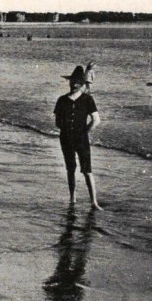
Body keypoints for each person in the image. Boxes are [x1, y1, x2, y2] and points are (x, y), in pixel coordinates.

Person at [54, 66, 103, 210]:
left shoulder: (87, 99)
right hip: (69, 139)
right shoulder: (62, 100)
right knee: (72, 169)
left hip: (78, 139)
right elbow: (57, 121)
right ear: (70, 82)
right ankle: (73, 198)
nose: (74, 84)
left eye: (77, 82)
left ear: (82, 84)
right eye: (73, 81)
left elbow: (96, 120)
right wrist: (77, 131)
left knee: (87, 170)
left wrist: (84, 132)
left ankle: (93, 201)